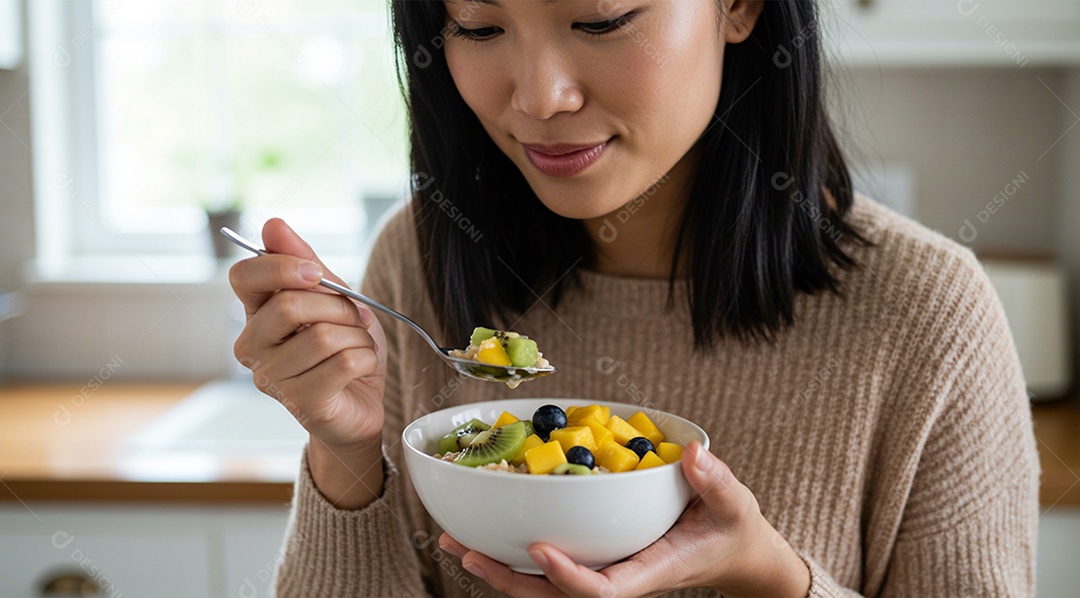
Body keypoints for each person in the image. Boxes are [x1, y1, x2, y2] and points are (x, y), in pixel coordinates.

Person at [228, 0, 1039, 595]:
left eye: (602, 19)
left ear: (738, 7)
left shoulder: (927, 314)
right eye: (478, 25)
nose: (540, 96)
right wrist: (346, 456)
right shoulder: (423, 257)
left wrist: (769, 576)